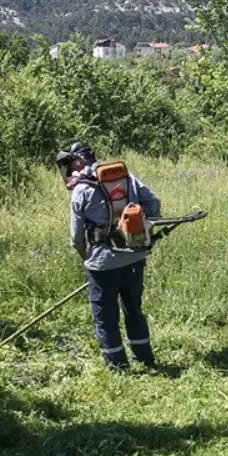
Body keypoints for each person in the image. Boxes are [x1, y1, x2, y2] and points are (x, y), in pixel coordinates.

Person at [59, 142, 162, 370]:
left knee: (105, 316)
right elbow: (154, 204)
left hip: (103, 263)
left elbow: (76, 238)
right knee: (133, 309)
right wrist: (142, 231)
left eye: (68, 166)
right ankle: (145, 358)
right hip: (135, 256)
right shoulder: (127, 177)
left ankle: (117, 366)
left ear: (77, 162)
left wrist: (86, 258)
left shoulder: (81, 189)